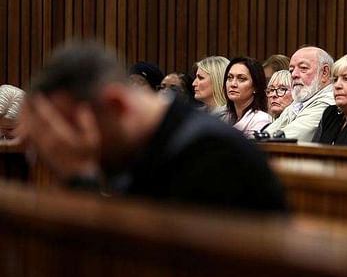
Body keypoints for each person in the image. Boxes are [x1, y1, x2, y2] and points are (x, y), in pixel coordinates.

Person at [20, 41, 286, 212]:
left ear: (116, 105)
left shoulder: (213, 157)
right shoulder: (145, 145)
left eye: (79, 132)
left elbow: (143, 272)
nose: (83, 146)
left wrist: (80, 179)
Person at [264, 46, 335, 141]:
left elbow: (284, 140)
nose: (293, 75)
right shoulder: (298, 102)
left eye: (303, 68)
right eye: (291, 70)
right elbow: (266, 135)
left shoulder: (328, 102)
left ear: (324, 72)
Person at [221, 57, 272, 137]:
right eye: (229, 78)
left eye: (241, 79)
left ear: (256, 87)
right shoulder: (222, 117)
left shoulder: (261, 120)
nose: (233, 84)